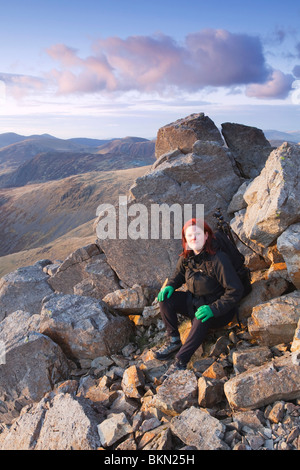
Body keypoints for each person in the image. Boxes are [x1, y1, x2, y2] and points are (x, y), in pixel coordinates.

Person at [154, 218, 244, 378]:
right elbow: (178, 275)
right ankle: (174, 340)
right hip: (194, 302)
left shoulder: (219, 259)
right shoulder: (187, 257)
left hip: (218, 311)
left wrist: (214, 309)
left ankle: (180, 362)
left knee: (200, 317)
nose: (193, 238)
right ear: (185, 240)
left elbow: (235, 290)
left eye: (197, 234)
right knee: (166, 298)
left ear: (207, 236)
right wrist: (171, 285)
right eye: (189, 235)